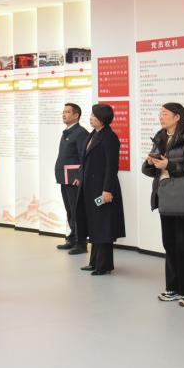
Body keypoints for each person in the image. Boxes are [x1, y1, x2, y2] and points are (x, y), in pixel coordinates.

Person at [142, 102, 184, 308]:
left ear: (177, 116)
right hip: (166, 196)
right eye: (160, 113)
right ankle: (173, 287)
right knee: (169, 244)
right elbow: (150, 170)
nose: (161, 117)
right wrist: (150, 163)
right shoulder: (161, 137)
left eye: (165, 114)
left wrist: (169, 165)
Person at [76, 104, 125, 275]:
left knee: (103, 226)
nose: (91, 118)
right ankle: (94, 262)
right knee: (94, 224)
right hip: (90, 187)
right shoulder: (93, 134)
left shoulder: (109, 137)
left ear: (103, 118)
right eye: (91, 114)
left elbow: (112, 166)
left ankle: (104, 265)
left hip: (103, 189)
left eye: (94, 115)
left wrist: (107, 190)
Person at [55, 102, 88, 254]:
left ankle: (81, 243)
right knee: (70, 210)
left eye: (68, 112)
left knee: (77, 211)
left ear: (76, 115)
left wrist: (79, 177)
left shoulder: (81, 133)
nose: (64, 114)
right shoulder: (67, 132)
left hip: (74, 179)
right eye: (63, 112)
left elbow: (84, 157)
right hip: (65, 177)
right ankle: (73, 238)